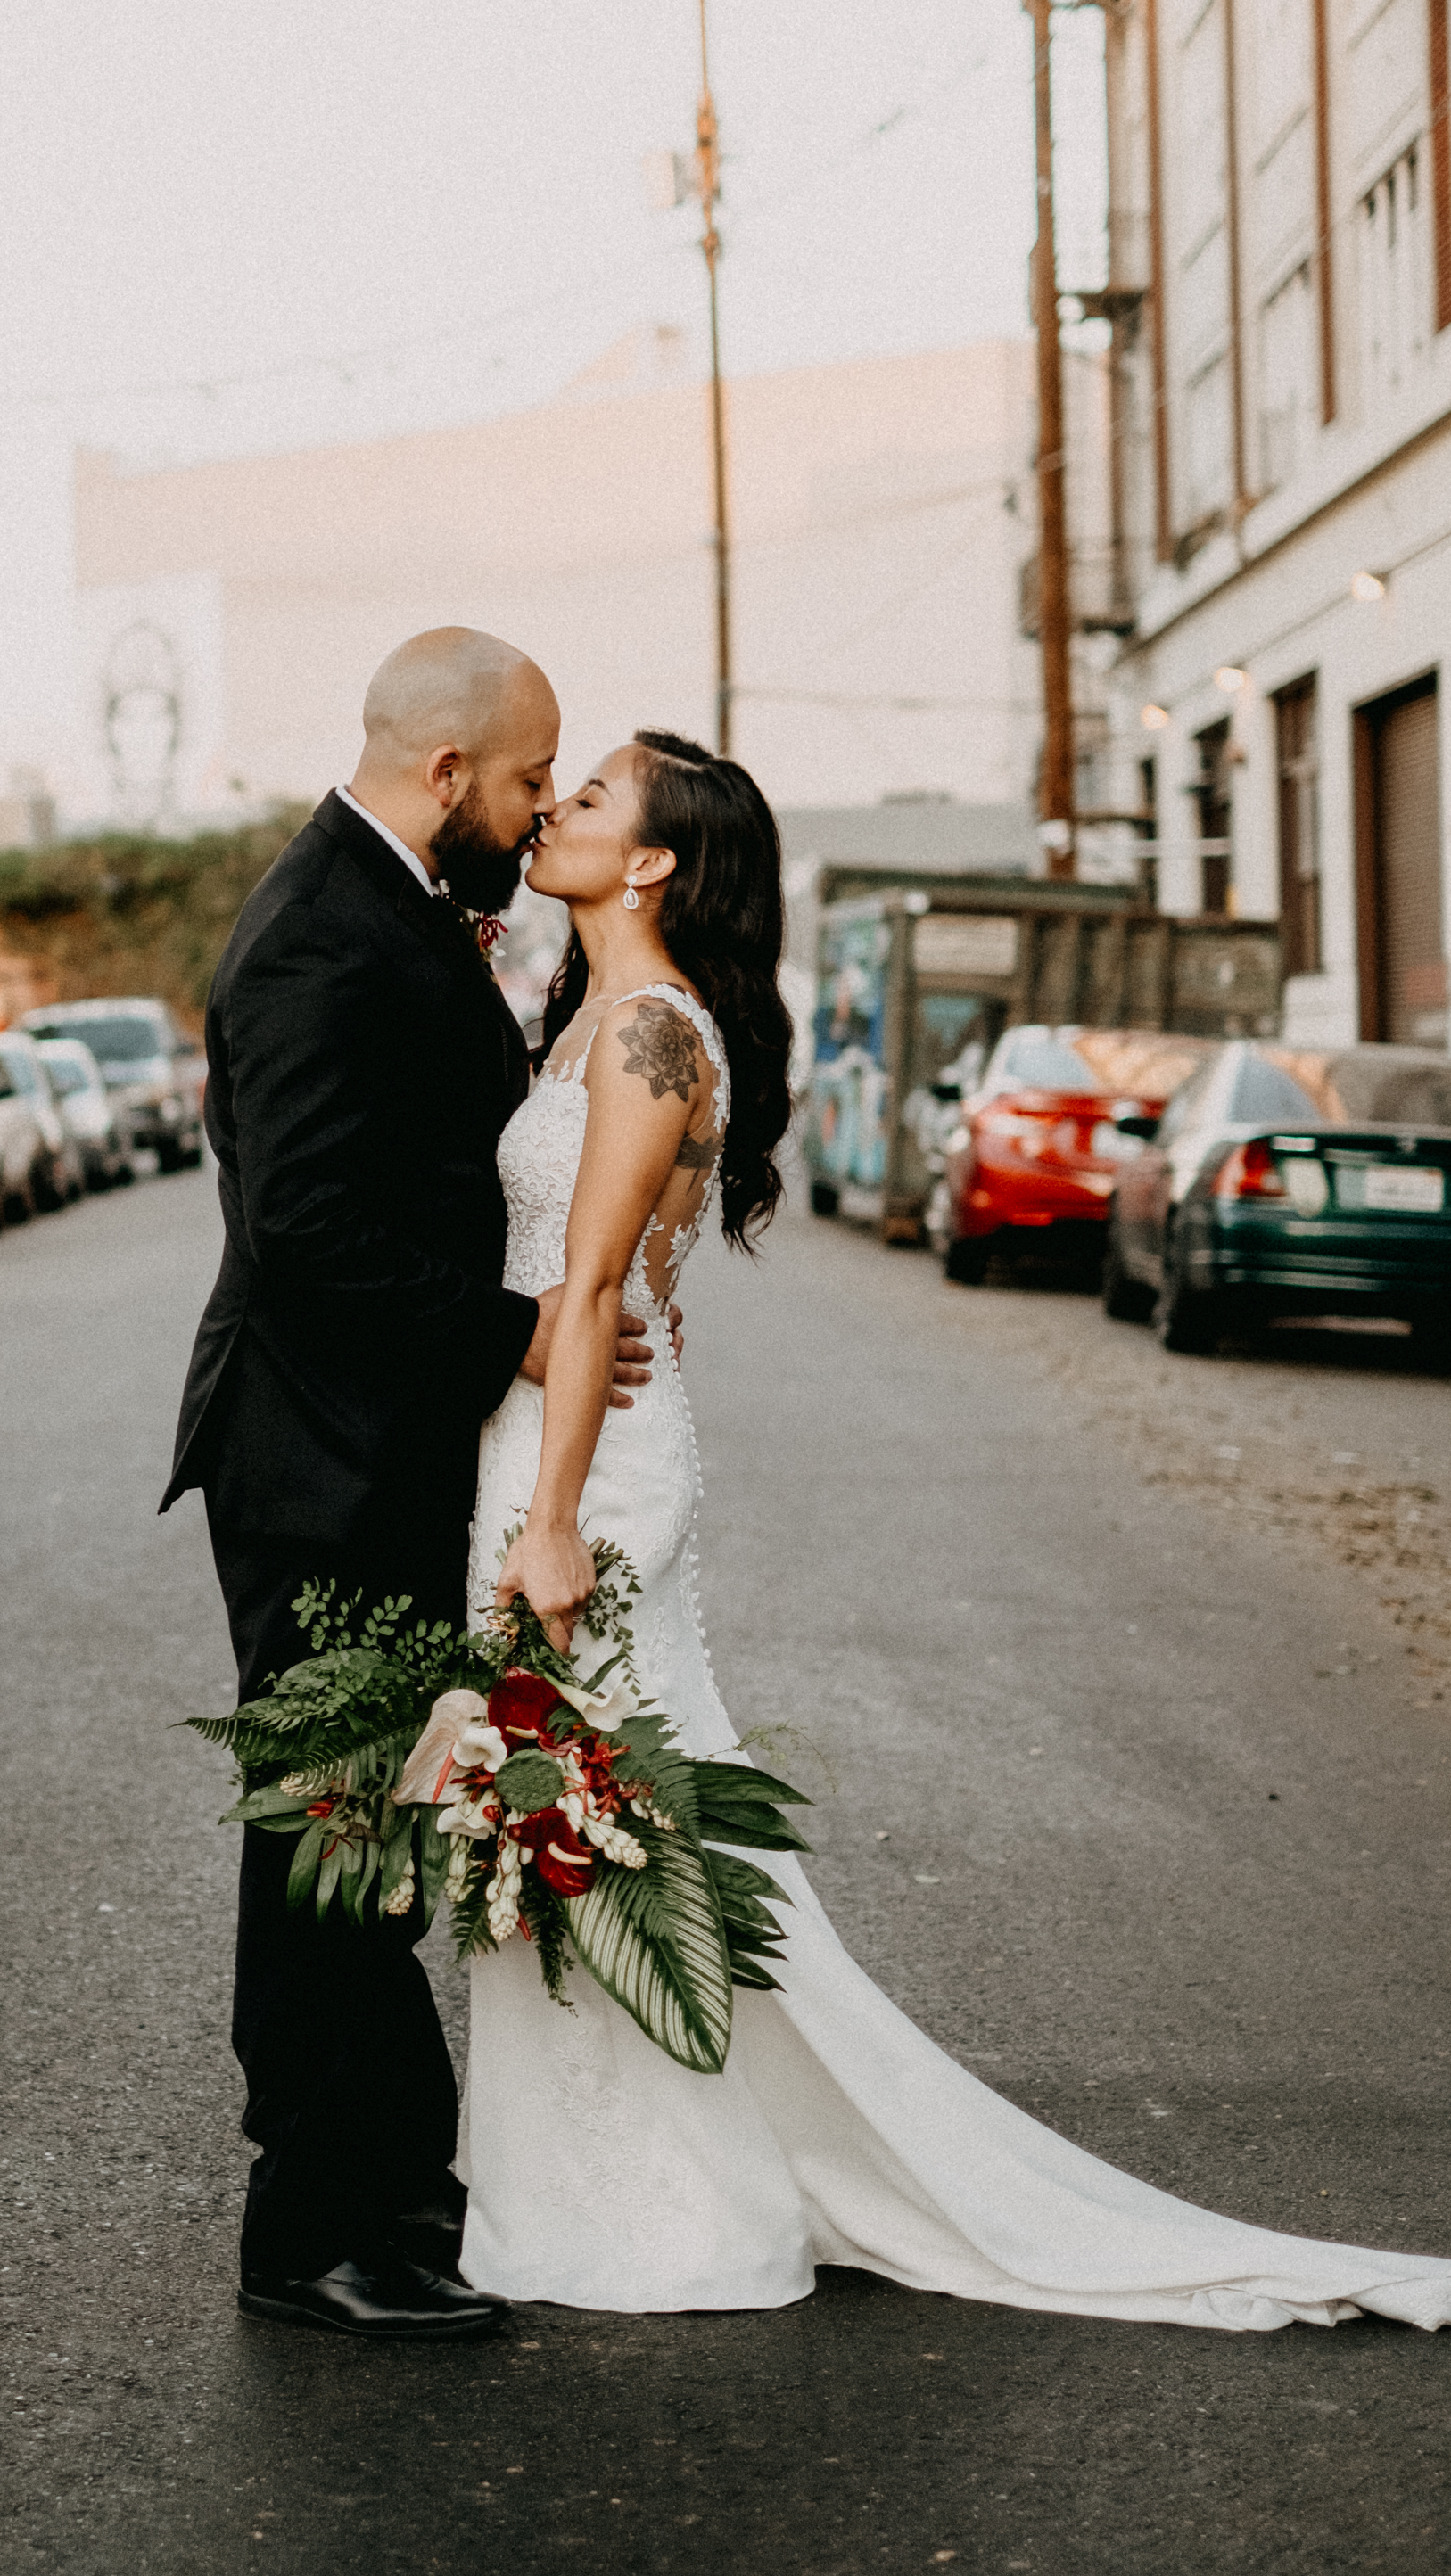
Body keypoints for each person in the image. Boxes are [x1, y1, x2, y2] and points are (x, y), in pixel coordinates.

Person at [458, 728, 1451, 2333]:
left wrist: (557, 1520)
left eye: (587, 801)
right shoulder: (583, 1020)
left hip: (588, 1465)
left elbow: (583, 1294)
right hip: (553, 1433)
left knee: (594, 1819)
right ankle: (579, 2178)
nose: (556, 810)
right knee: (593, 1826)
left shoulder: (646, 1034)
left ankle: (663, 2207)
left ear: (648, 861)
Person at [162, 628, 668, 2342]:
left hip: (368, 1443)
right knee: (325, 1839)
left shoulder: (386, 905)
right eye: (531, 779)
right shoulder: (317, 934)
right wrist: (523, 1337)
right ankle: (313, 2230)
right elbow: (300, 1233)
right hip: (316, 1456)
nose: (539, 815)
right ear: (448, 775)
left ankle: (380, 2195)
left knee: (362, 1826)